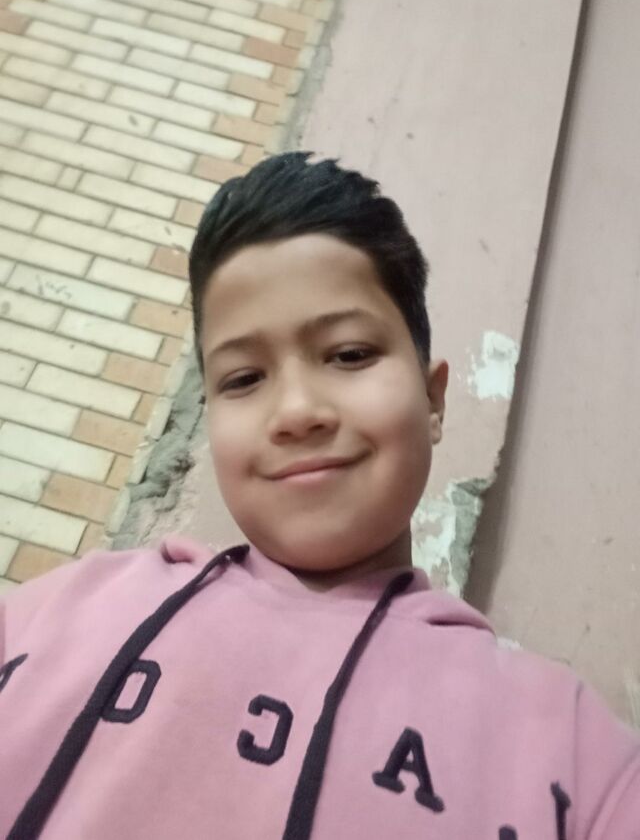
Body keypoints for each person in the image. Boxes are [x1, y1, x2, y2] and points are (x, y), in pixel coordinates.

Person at [0, 153, 638, 840]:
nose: (297, 411)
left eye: (349, 353)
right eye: (244, 378)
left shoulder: (581, 762)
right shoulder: (51, 613)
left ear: (433, 399)